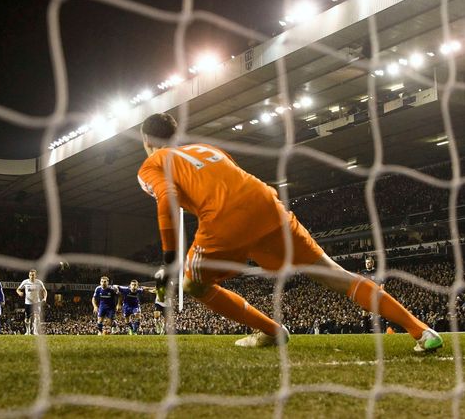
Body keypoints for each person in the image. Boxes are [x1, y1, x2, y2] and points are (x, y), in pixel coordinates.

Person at [137, 113, 442, 351]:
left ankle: (271, 332)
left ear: (146, 140)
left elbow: (167, 198)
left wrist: (168, 258)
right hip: (267, 205)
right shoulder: (207, 149)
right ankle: (422, 331)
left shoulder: (152, 163)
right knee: (335, 274)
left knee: (193, 286)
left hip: (223, 218)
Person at [17, 269, 47, 335]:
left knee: (37, 317)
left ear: (35, 275)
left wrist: (45, 298)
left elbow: (44, 290)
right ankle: (27, 331)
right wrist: (19, 292)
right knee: (27, 318)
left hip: (37, 303)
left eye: (33, 275)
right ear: (29, 275)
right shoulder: (25, 282)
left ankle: (35, 331)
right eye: (30, 275)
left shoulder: (39, 282)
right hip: (28, 303)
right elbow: (18, 289)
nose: (31, 276)